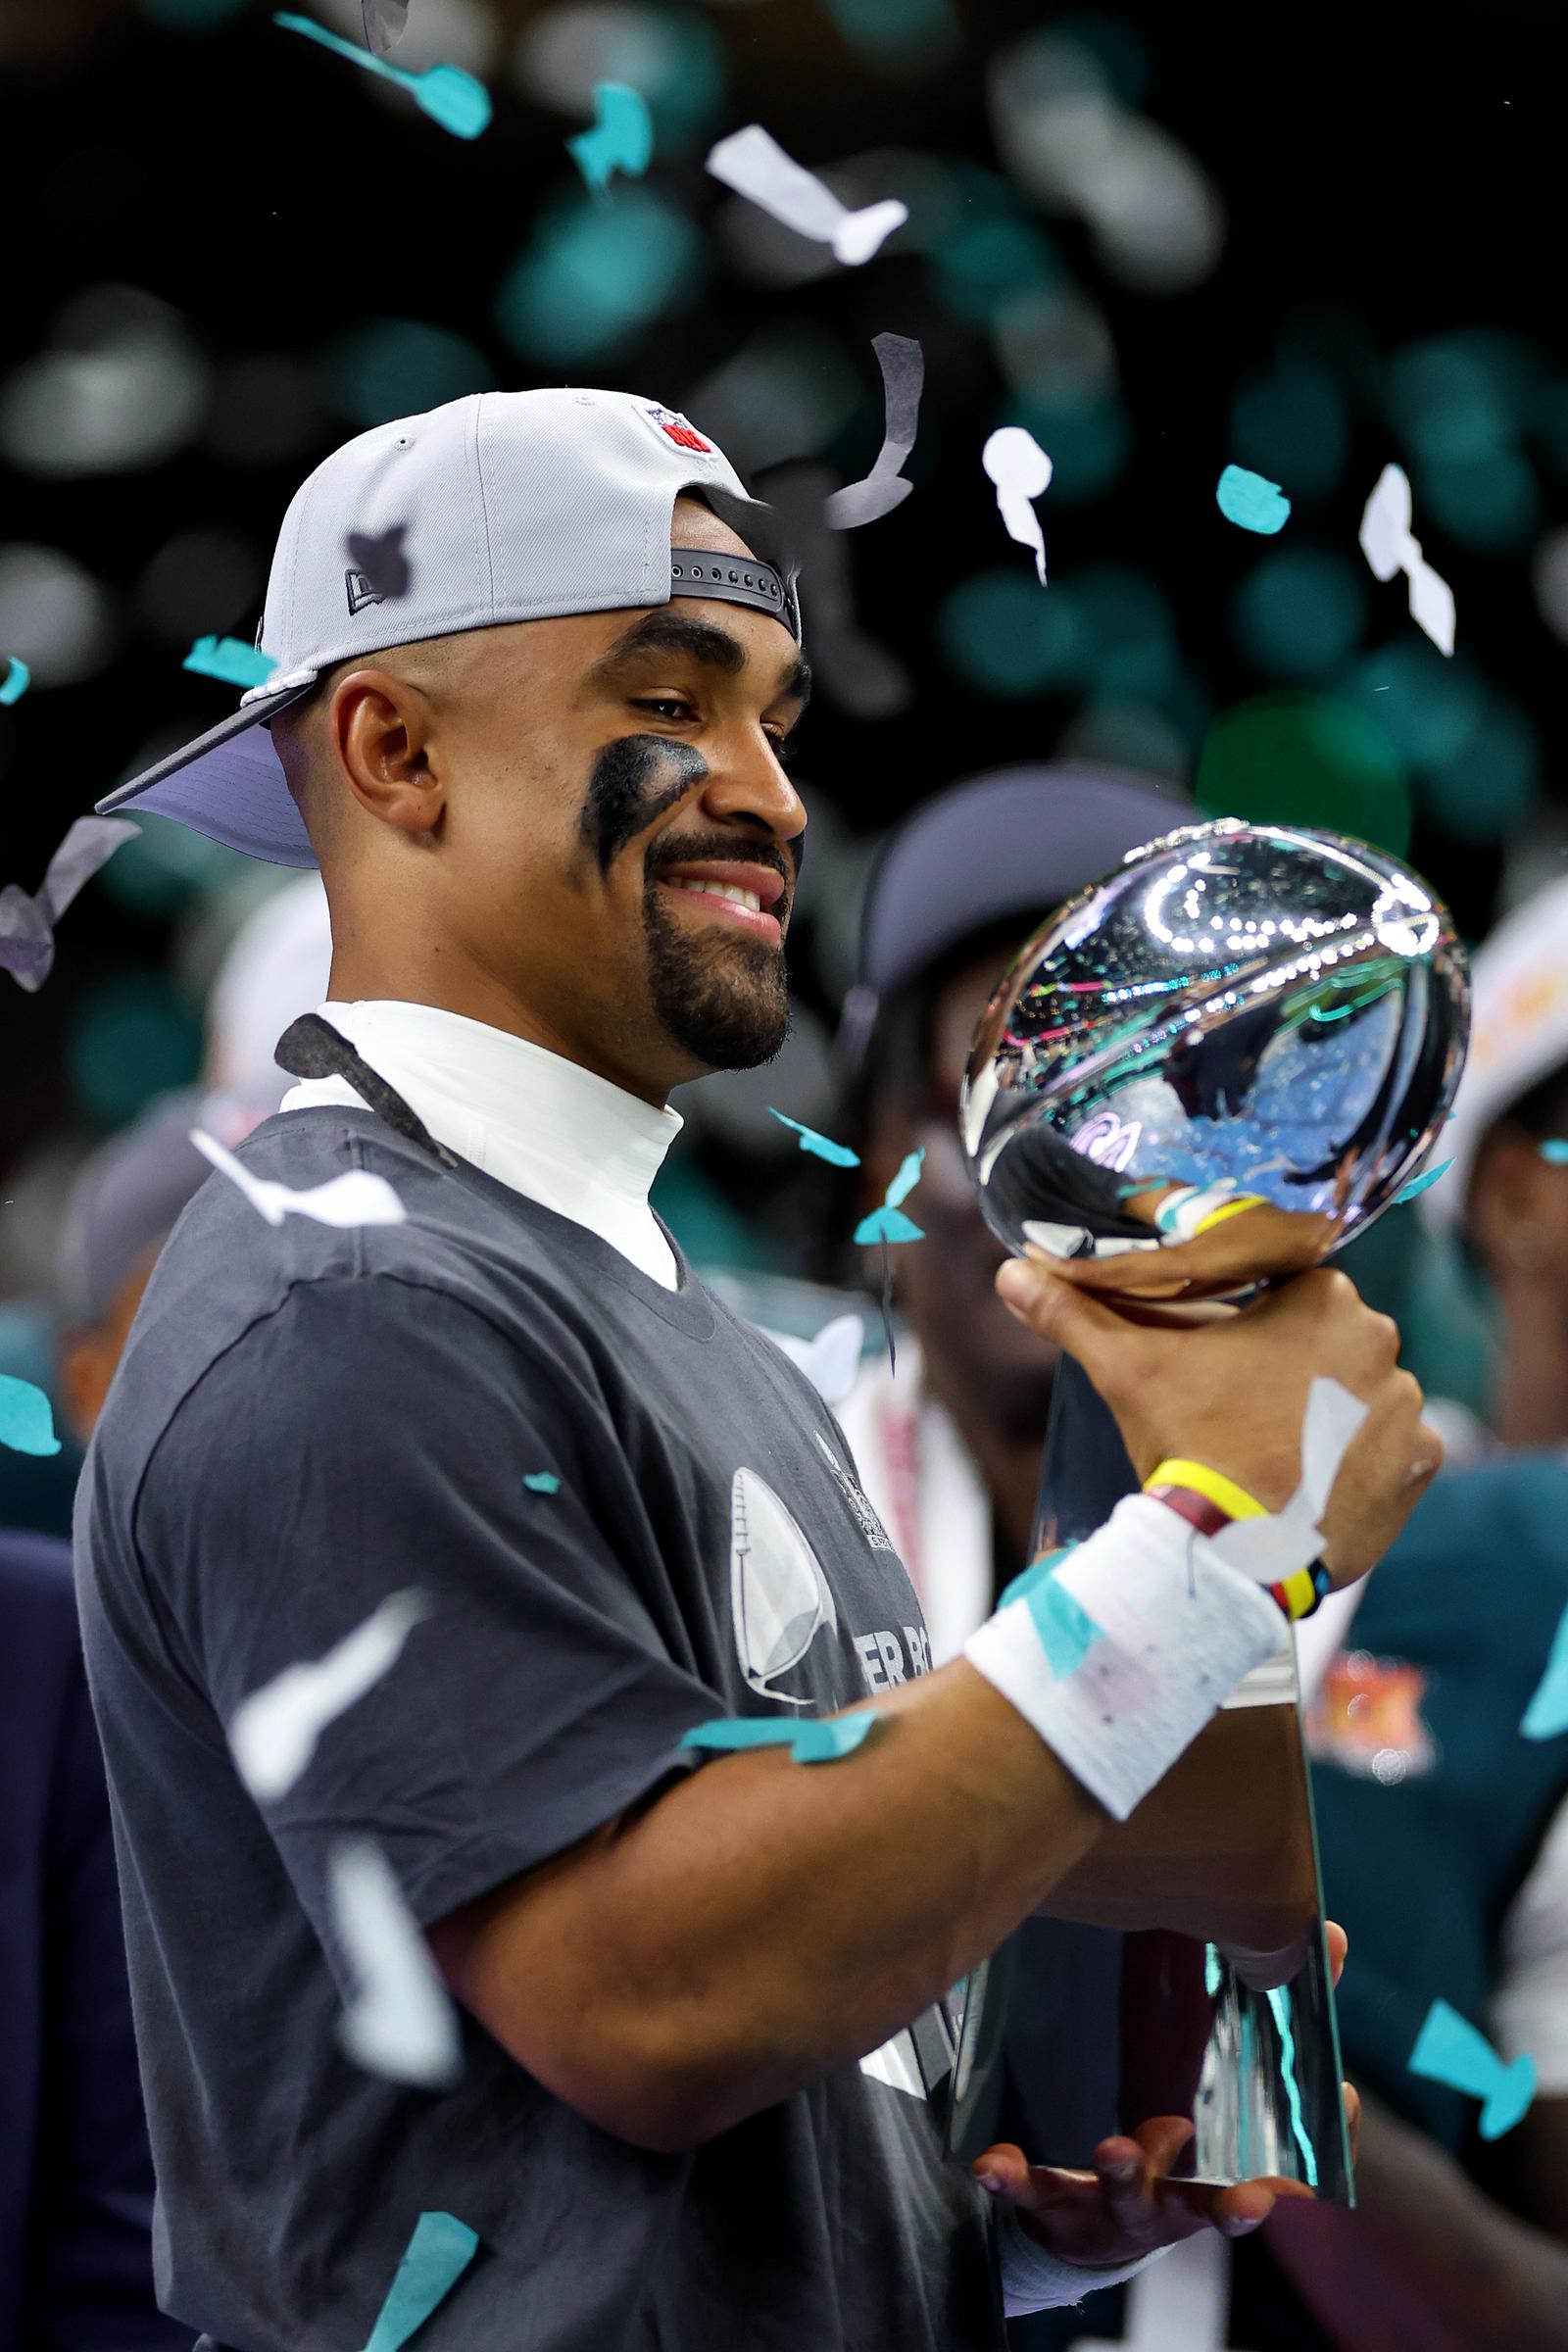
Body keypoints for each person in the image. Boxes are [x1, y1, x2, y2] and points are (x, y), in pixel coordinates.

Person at [75, 388, 1438, 2352]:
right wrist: (1204, 1549)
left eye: (770, 718)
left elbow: (679, 2148)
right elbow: (647, 2005)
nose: (768, 792)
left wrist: (1025, 2215)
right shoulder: (343, 1305)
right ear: (393, 750)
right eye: (666, 699)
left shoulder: (692, 1339)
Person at [829, 770, 1568, 2351]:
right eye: (1014, 1088)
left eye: (1189, 1095)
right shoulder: (759, 1497)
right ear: (881, 1130)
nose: (1118, 1179)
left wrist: (1253, 2094)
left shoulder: (1518, 1580)